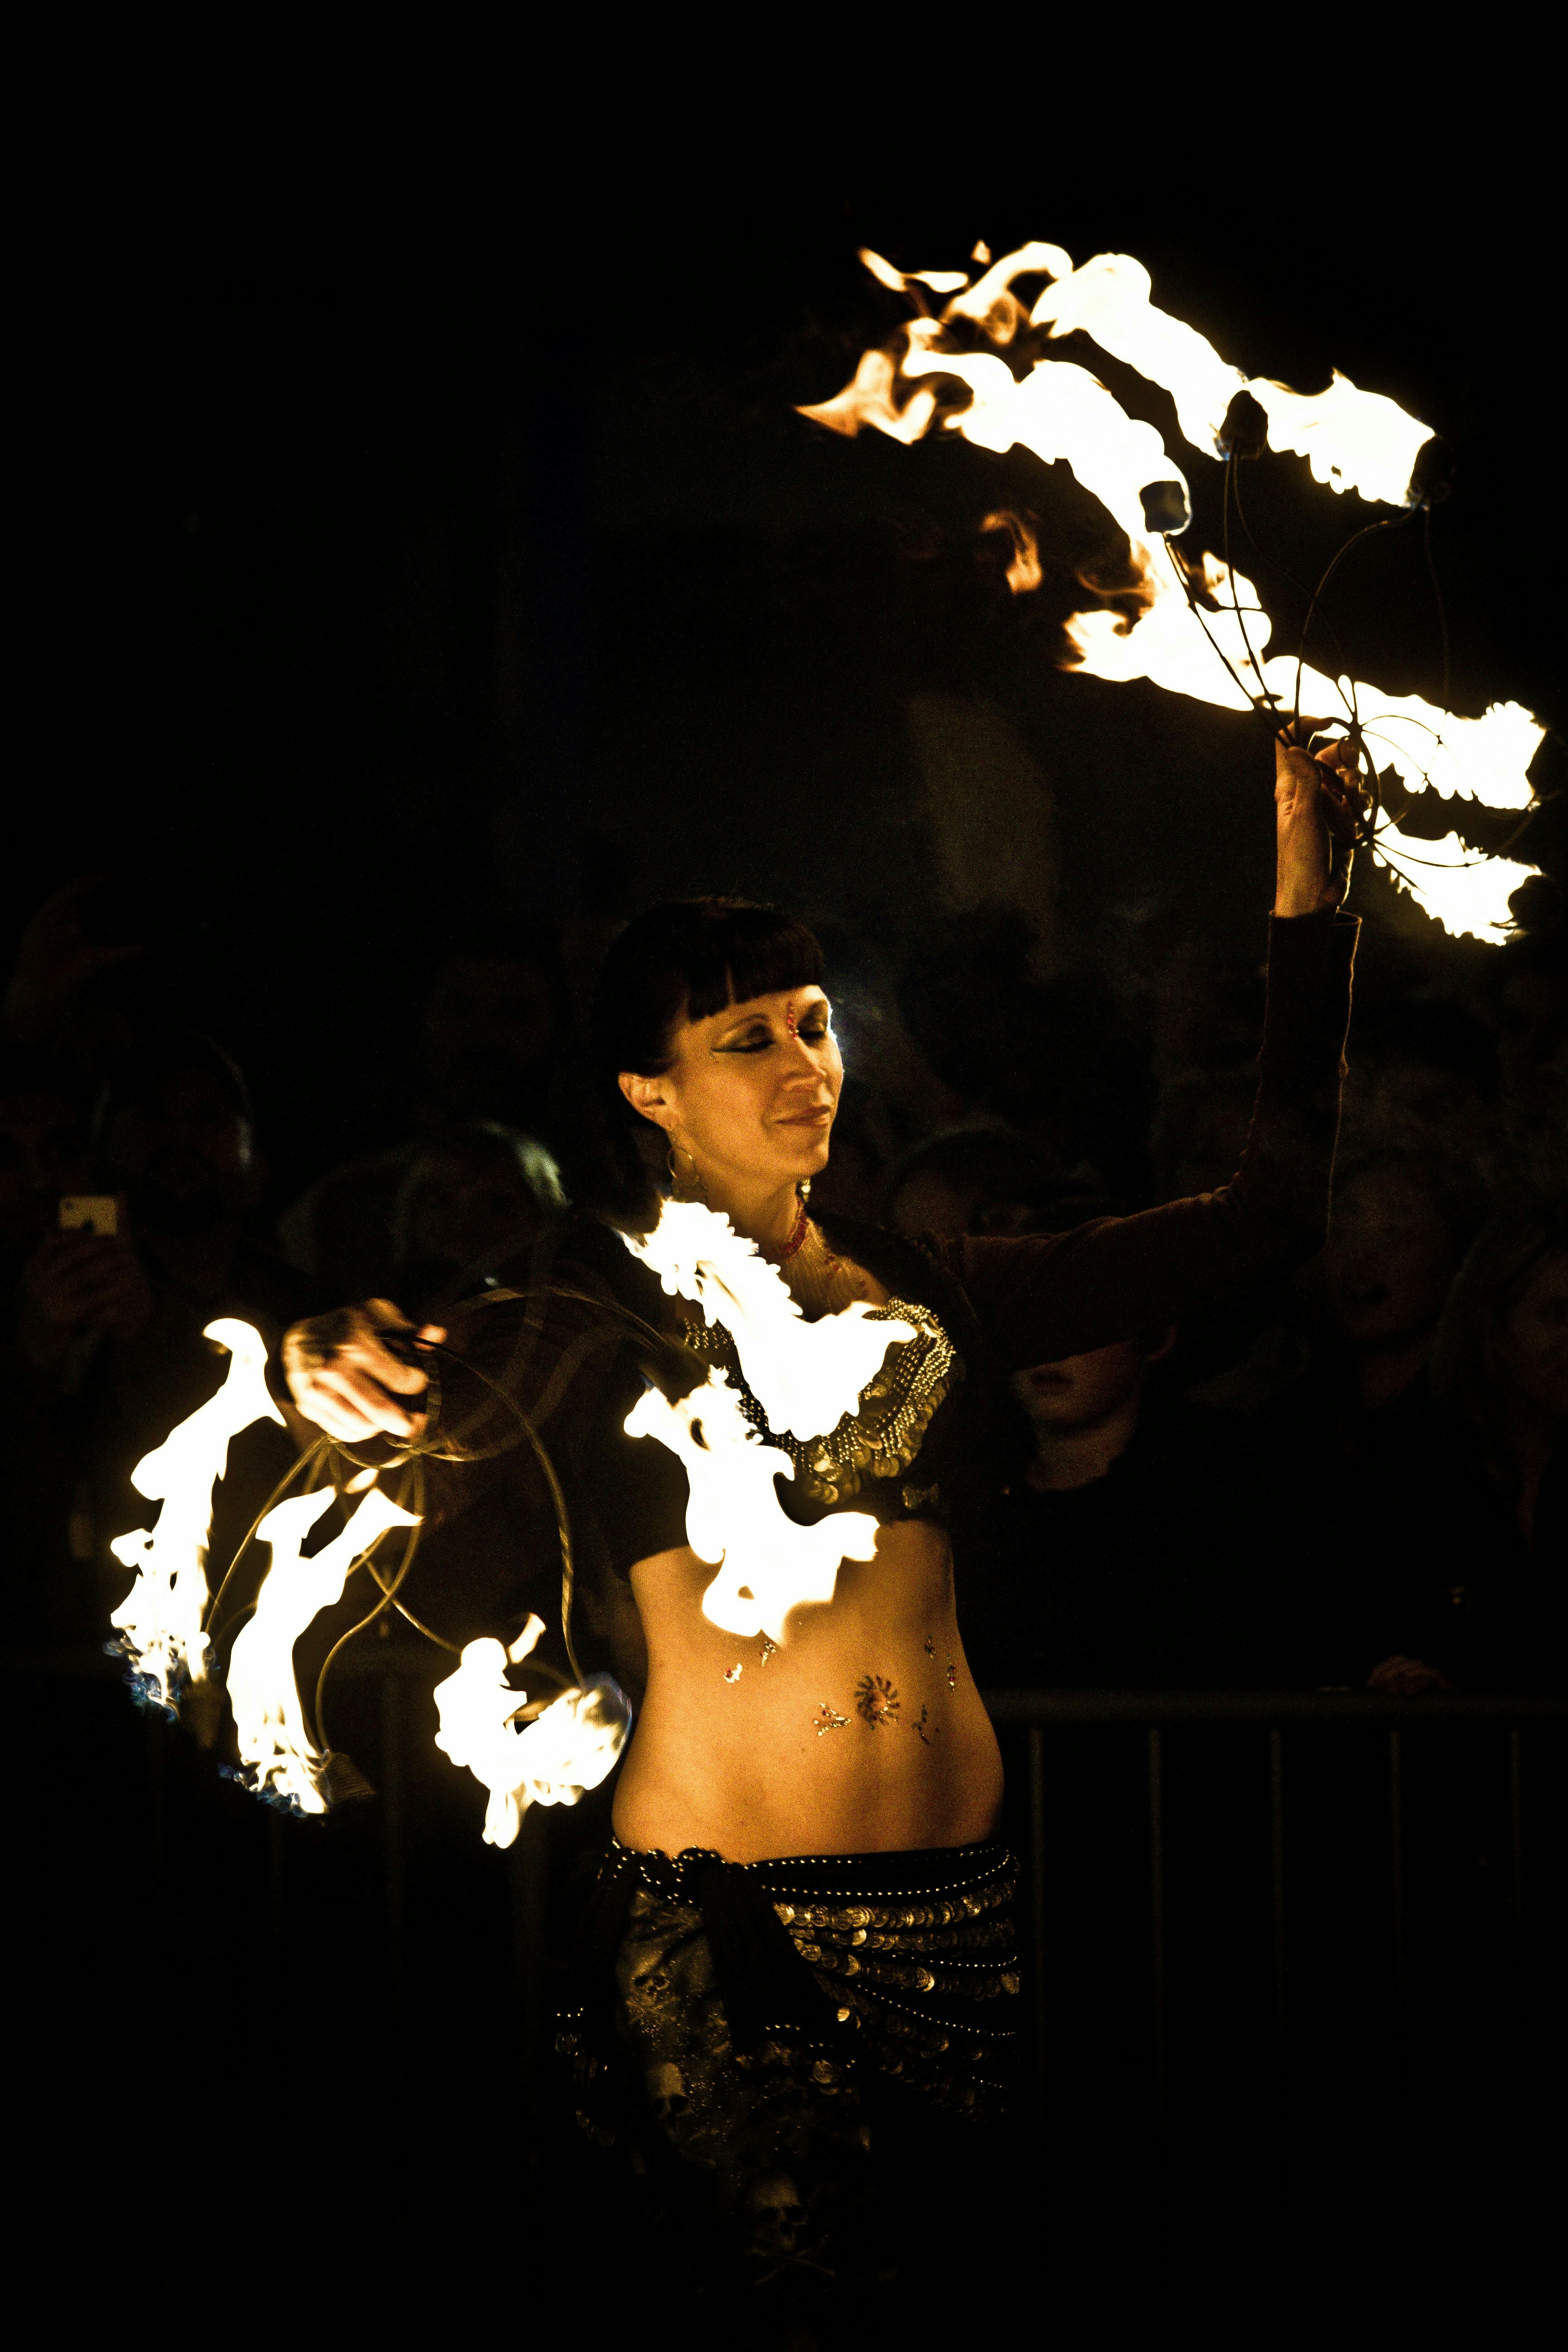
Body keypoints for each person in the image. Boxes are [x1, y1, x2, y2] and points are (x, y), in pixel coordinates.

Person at [275, 730, 1362, 2314]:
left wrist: (1307, 888)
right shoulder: (594, 1295)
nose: (805, 1067)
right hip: (722, 1924)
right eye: (743, 1040)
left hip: (956, 1912)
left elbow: (1269, 1211)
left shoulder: (940, 1284)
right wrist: (320, 1360)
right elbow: (401, 1397)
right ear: (650, 1091)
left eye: (814, 1021)